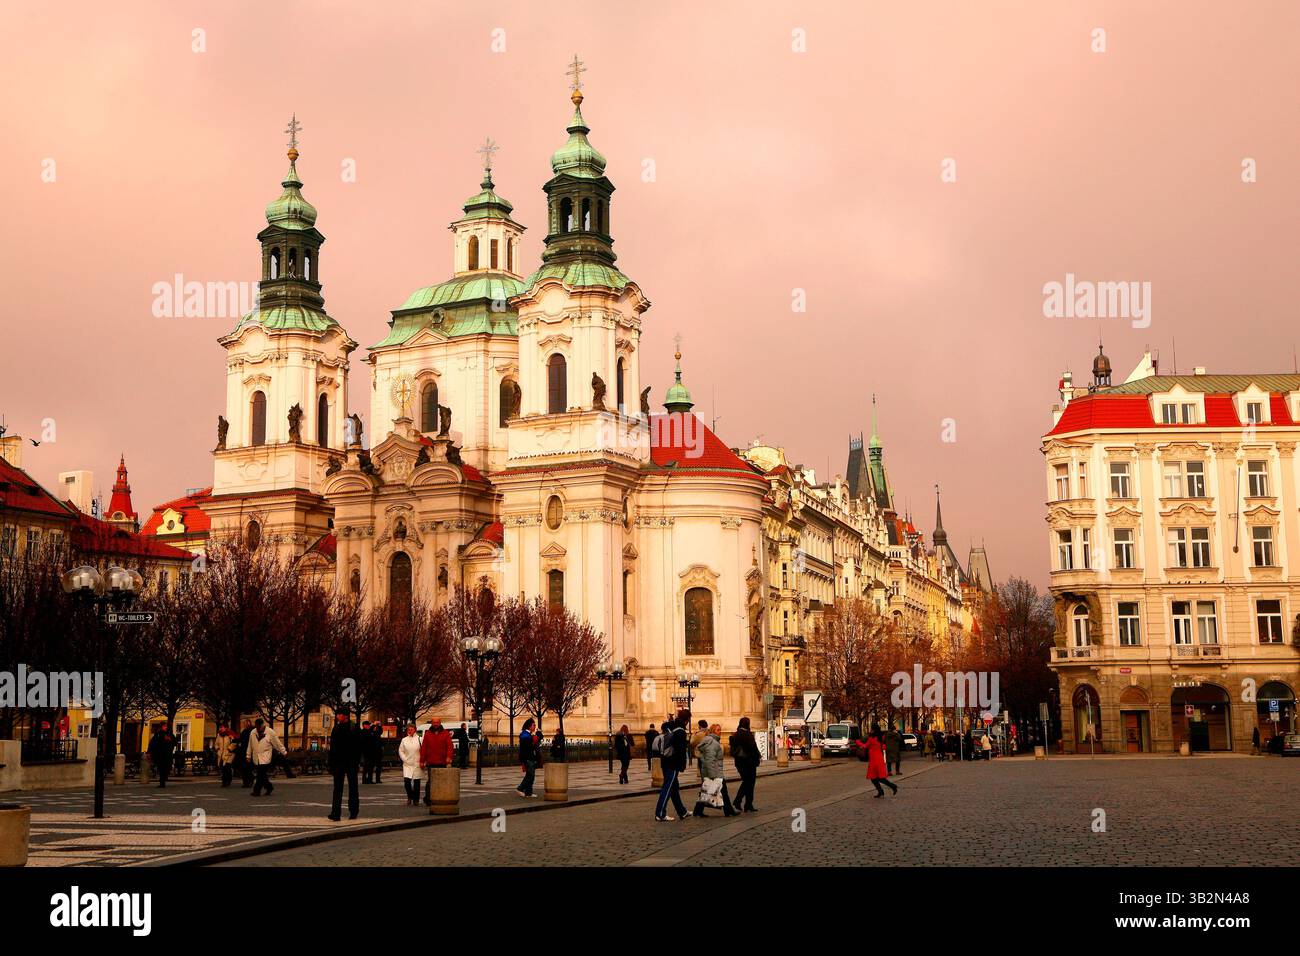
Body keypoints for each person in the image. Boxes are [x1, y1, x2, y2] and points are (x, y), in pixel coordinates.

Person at [692, 724, 737, 818]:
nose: (720, 732)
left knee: (706, 791)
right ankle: (729, 811)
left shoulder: (710, 741)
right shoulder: (713, 743)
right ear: (712, 731)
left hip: (713, 771)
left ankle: (698, 811)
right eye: (717, 730)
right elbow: (710, 759)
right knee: (723, 791)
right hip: (715, 772)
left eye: (720, 730)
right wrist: (713, 775)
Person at [654, 711, 690, 822]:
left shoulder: (671, 726)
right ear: (687, 720)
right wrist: (682, 765)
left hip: (665, 761)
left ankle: (682, 811)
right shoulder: (680, 732)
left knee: (674, 787)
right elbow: (680, 751)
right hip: (673, 763)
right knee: (668, 787)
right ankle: (660, 813)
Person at [327, 712, 362, 821]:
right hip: (345, 762)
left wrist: (331, 762)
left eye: (339, 715)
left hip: (345, 762)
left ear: (345, 716)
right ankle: (342, 812)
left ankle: (342, 812)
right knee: (348, 788)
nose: (337, 717)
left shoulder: (346, 728)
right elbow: (332, 747)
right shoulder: (351, 727)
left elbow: (333, 747)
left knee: (342, 788)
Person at [247, 718, 287, 797]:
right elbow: (250, 745)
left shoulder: (270, 732)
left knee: (260, 774)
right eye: (257, 727)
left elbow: (277, 743)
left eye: (259, 727)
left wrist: (283, 751)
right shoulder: (253, 732)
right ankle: (269, 787)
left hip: (265, 756)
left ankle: (256, 790)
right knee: (262, 774)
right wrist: (248, 755)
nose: (258, 729)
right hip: (256, 757)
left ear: (263, 725)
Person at [729, 716, 760, 813]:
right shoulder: (747, 734)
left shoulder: (736, 734)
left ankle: (747, 804)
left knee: (746, 782)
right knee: (749, 783)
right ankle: (741, 802)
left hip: (739, 762)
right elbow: (753, 748)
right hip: (749, 762)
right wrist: (758, 757)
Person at [420, 719, 454, 805]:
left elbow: (450, 746)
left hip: (442, 762)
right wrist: (422, 761)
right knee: (430, 781)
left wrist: (449, 757)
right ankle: (428, 799)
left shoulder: (445, 733)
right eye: (434, 723)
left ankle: (441, 797)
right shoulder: (427, 734)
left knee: (442, 781)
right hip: (431, 762)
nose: (435, 724)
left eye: (437, 722)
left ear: (440, 723)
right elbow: (424, 748)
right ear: (432, 723)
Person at [865, 729, 897, 797]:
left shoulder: (871, 739)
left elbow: (865, 746)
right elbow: (883, 746)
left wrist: (858, 742)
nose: (870, 730)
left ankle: (885, 789)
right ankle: (885, 790)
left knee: (875, 778)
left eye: (872, 729)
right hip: (879, 759)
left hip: (874, 760)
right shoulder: (880, 738)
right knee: (879, 778)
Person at [398, 724, 422, 806]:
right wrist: (405, 759)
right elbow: (401, 750)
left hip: (417, 763)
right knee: (407, 782)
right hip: (407, 764)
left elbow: (423, 750)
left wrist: (422, 760)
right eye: (408, 729)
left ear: (415, 730)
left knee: (417, 783)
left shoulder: (419, 739)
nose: (410, 731)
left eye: (411, 729)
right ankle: (410, 796)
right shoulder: (404, 740)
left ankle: (416, 799)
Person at [516, 718, 540, 797]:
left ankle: (528, 792)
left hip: (530, 757)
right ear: (529, 726)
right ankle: (520, 788)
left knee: (531, 775)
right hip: (527, 757)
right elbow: (528, 745)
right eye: (533, 725)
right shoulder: (524, 734)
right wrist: (534, 740)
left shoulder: (528, 734)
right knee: (530, 774)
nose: (534, 727)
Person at [236, 719, 255, 787]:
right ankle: (245, 782)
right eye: (245, 723)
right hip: (243, 752)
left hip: (249, 751)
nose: (245, 725)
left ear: (250, 724)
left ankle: (250, 780)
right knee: (244, 768)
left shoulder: (252, 731)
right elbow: (240, 739)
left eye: (247, 723)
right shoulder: (244, 731)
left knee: (248, 768)